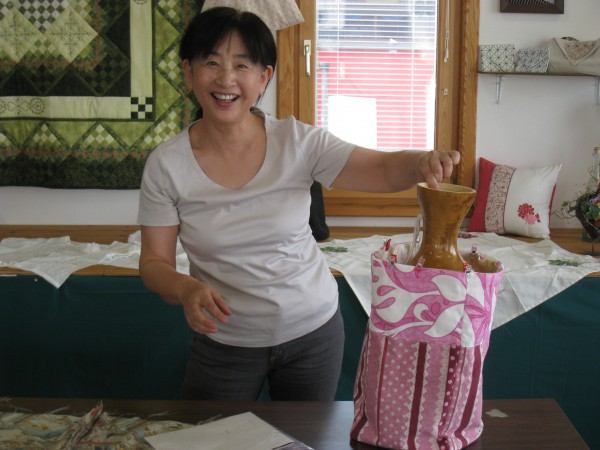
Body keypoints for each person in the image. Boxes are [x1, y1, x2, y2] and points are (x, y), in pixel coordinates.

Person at [137, 6, 460, 401]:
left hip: (313, 334)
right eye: (211, 63)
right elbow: (154, 263)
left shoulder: (299, 143)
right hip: (224, 340)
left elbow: (380, 169)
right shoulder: (167, 165)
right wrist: (186, 288)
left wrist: (420, 162)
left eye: (242, 65)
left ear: (263, 78)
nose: (226, 79)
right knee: (212, 433)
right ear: (189, 73)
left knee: (307, 434)